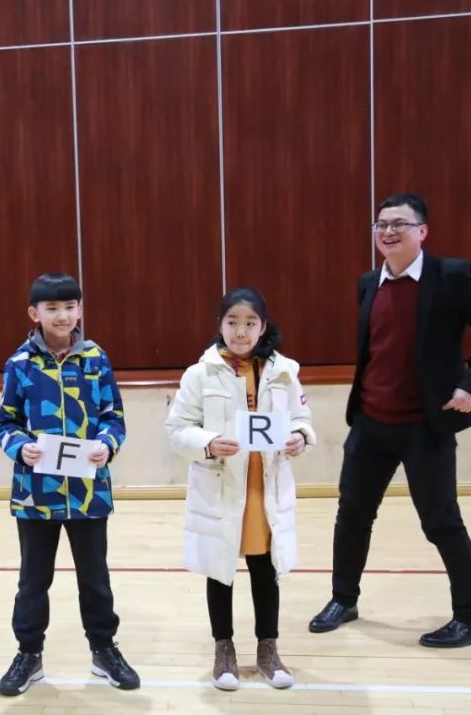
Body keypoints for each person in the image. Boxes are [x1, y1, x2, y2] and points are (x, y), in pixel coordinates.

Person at [308, 193, 471, 647]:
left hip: (425, 426)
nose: (388, 231)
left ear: (422, 231)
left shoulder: (450, 276)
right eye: (381, 224)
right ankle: (344, 599)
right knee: (352, 514)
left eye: (399, 223)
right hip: (370, 422)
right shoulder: (368, 283)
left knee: (441, 522)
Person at [0, 273, 140, 696]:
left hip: (89, 493)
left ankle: (104, 650)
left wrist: (106, 444)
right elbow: (4, 422)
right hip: (35, 495)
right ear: (34, 313)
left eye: (70, 306)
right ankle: (29, 654)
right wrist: (19, 447)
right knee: (33, 581)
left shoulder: (96, 358)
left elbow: (114, 417)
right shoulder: (20, 364)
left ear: (80, 310)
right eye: (52, 308)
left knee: (95, 578)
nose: (62, 315)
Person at [166, 287, 316, 690]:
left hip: (264, 487)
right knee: (221, 570)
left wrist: (300, 437)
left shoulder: (284, 371)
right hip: (222, 485)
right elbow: (177, 429)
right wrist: (209, 443)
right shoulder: (200, 373)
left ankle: (268, 649)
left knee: (266, 569)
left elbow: (302, 419)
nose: (241, 331)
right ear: (220, 325)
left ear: (263, 327)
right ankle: (224, 650)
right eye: (232, 322)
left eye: (250, 323)